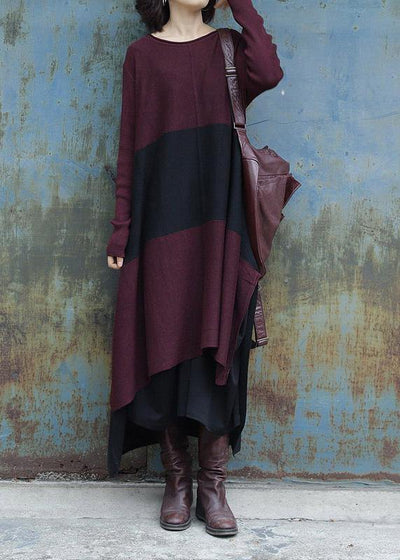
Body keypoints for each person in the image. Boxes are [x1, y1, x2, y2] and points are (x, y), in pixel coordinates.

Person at [105, 0, 284, 538]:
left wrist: (240, 5)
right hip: (160, 218)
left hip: (221, 216)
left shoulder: (228, 47)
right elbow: (129, 144)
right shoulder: (141, 56)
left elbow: (269, 72)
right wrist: (121, 227)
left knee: (219, 340)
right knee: (161, 337)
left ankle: (213, 483)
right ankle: (176, 479)